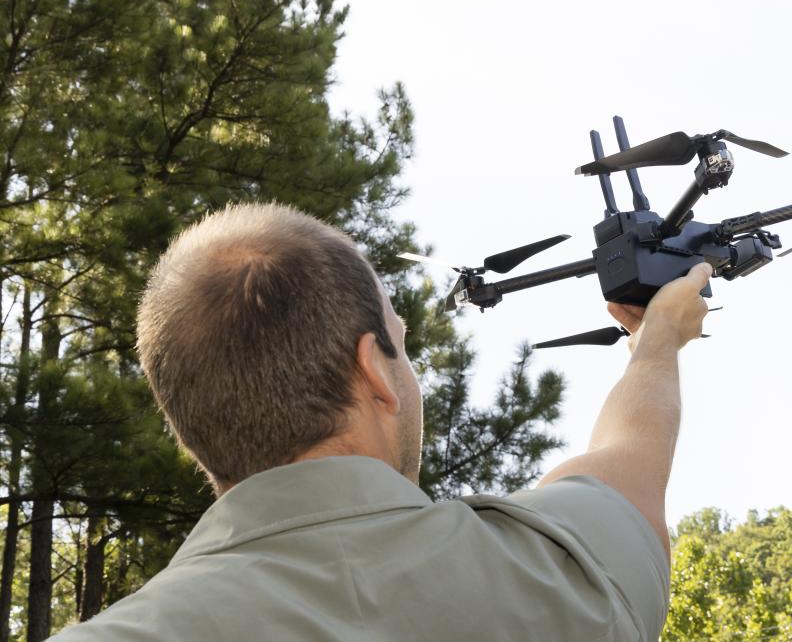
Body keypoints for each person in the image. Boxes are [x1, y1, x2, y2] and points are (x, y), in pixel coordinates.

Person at [49, 202, 711, 642]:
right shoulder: (547, 578)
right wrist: (657, 341)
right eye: (401, 341)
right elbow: (628, 465)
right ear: (373, 371)